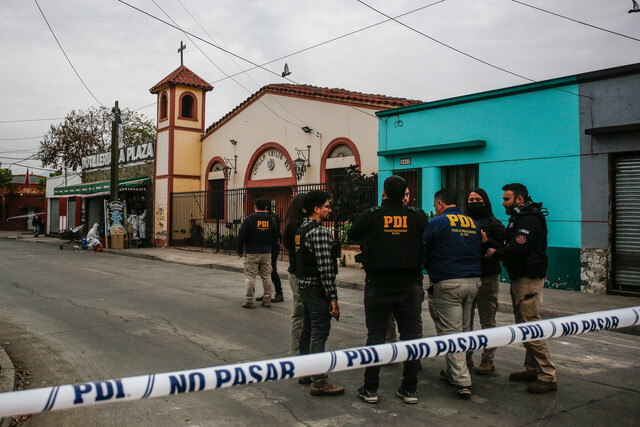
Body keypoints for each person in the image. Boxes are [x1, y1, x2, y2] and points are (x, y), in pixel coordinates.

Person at [348, 176, 428, 404]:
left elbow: (352, 234)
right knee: (411, 338)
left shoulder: (371, 215)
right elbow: (429, 238)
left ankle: (370, 388)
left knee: (375, 337)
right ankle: (410, 389)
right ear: (405, 193)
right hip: (409, 284)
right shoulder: (417, 216)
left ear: (384, 192)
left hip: (378, 284)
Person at [486, 183, 557, 393]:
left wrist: (495, 254)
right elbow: (510, 245)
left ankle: (547, 375)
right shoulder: (519, 218)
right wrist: (489, 242)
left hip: (528, 279)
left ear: (519, 199)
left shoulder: (529, 219)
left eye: (507, 199)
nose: (503, 203)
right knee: (524, 327)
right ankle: (532, 369)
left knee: (531, 325)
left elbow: (517, 248)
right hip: (520, 278)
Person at [424, 189, 481, 399]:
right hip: (473, 281)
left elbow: (423, 247)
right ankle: (452, 371)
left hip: (448, 281)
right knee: (464, 330)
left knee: (451, 332)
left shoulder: (438, 222)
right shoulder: (471, 222)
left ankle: (462, 381)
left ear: (439, 204)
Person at [296, 190, 344, 396]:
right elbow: (326, 269)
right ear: (316, 209)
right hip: (316, 288)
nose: (329, 209)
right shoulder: (319, 232)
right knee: (319, 331)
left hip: (304, 285)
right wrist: (333, 299)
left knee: (308, 328)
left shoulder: (301, 229)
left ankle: (305, 371)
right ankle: (318, 379)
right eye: (326, 206)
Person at [465, 188, 505, 374]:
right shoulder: (465, 222)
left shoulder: (494, 223)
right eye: (471, 199)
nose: (473, 202)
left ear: (485, 201)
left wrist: (486, 241)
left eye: (477, 199)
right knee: (466, 321)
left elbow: (502, 248)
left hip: (487, 277)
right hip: (468, 276)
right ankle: (466, 358)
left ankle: (488, 360)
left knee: (487, 320)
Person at [237, 199, 277, 309]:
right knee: (266, 275)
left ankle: (250, 300)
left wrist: (240, 251)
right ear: (266, 208)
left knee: (250, 276)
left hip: (252, 251)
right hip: (266, 251)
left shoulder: (249, 220)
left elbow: (241, 236)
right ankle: (267, 299)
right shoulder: (271, 219)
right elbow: (275, 235)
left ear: (254, 206)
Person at [282, 194, 307, 355]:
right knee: (299, 313)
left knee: (301, 313)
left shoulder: (291, 224)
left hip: (295, 272)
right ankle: (298, 352)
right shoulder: (297, 226)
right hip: (298, 273)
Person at [258, 202, 284, 303]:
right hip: (270, 247)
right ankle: (267, 293)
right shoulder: (273, 217)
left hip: (271, 247)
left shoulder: (270, 218)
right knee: (266, 270)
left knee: (271, 269)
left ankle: (279, 293)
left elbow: (275, 233)